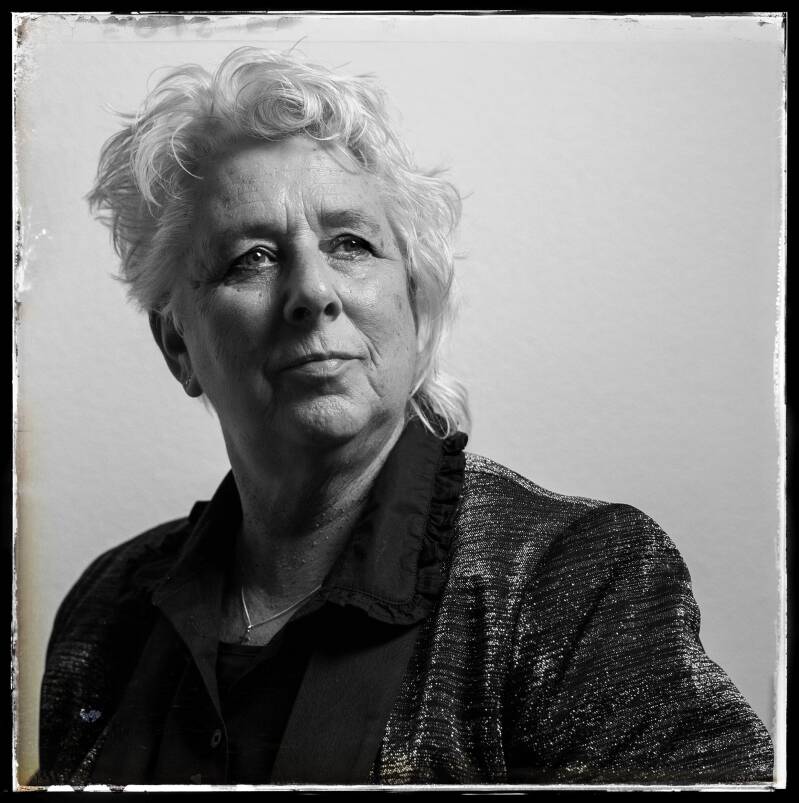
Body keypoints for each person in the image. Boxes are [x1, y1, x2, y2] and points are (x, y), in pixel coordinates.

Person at [34, 46, 773, 787]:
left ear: (417, 310)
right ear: (177, 344)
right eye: (250, 257)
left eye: (351, 245)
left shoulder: (574, 581)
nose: (312, 292)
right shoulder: (107, 610)